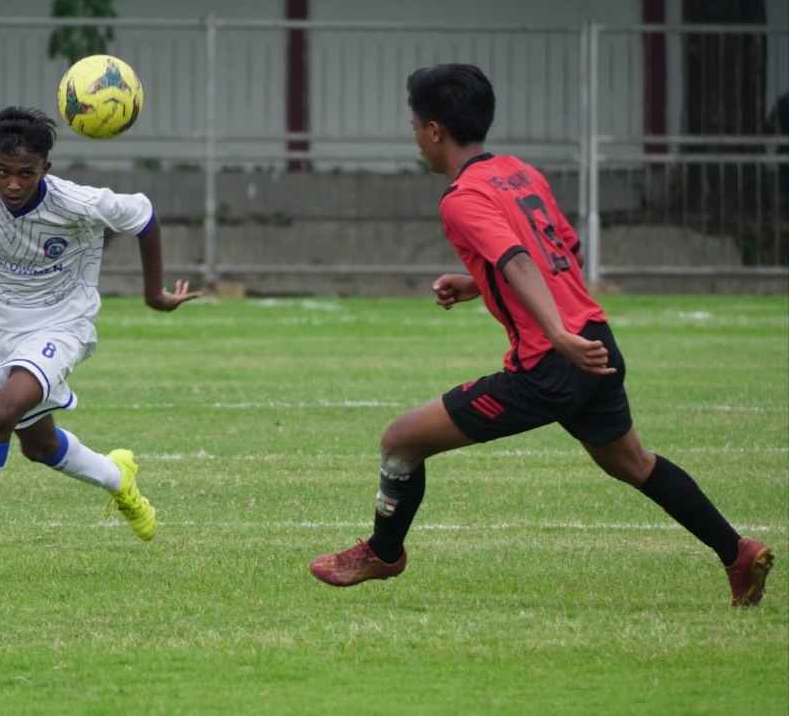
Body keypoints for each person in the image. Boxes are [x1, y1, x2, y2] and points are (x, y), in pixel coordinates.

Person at [308, 64, 774, 606]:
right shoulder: (520, 173)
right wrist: (480, 282)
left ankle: (384, 553)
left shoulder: (460, 197)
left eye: (414, 127)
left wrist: (554, 333)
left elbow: (519, 260)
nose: (414, 138)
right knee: (632, 462)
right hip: (596, 340)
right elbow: (563, 252)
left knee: (401, 441)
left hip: (552, 362)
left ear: (434, 130)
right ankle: (737, 553)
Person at [0, 106, 201, 572]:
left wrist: (153, 294)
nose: (12, 184)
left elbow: (143, 216)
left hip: (62, 323)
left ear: (45, 169)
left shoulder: (77, 202)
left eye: (26, 173)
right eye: (2, 171)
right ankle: (117, 476)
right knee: (38, 446)